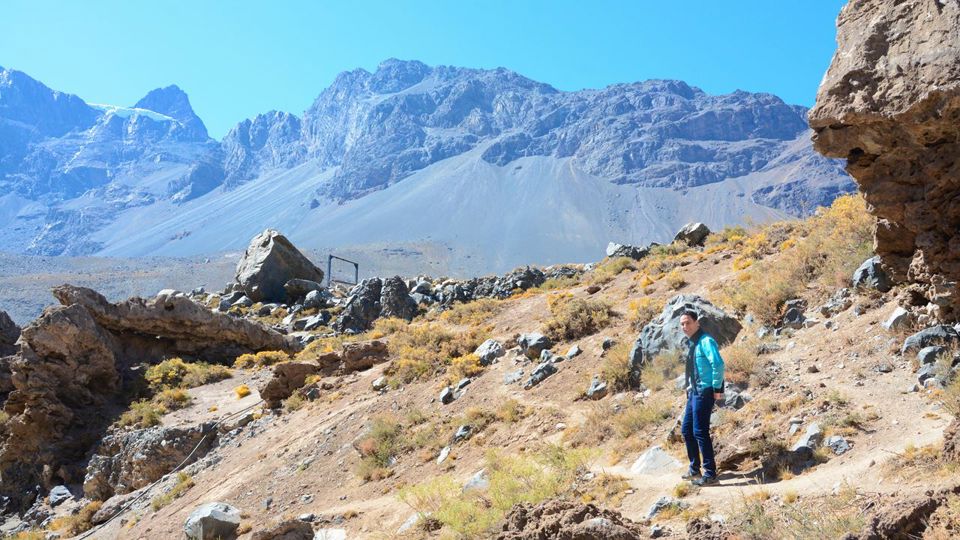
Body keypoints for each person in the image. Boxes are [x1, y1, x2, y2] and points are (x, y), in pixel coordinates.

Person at [679, 309, 724, 486]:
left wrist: (716, 388)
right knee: (686, 430)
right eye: (682, 324)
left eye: (688, 322)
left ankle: (710, 474)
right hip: (694, 392)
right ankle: (694, 469)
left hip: (704, 391)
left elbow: (718, 364)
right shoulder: (694, 343)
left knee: (700, 432)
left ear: (697, 322)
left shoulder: (706, 341)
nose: (685, 326)